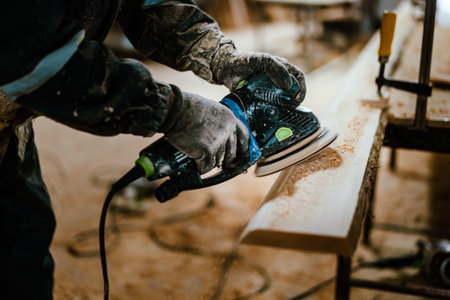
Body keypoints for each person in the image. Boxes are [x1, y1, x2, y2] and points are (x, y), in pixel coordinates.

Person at [0, 0, 306, 298]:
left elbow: (148, 3)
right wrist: (172, 111)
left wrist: (218, 55)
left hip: (10, 125)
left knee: (26, 241)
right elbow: (29, 56)